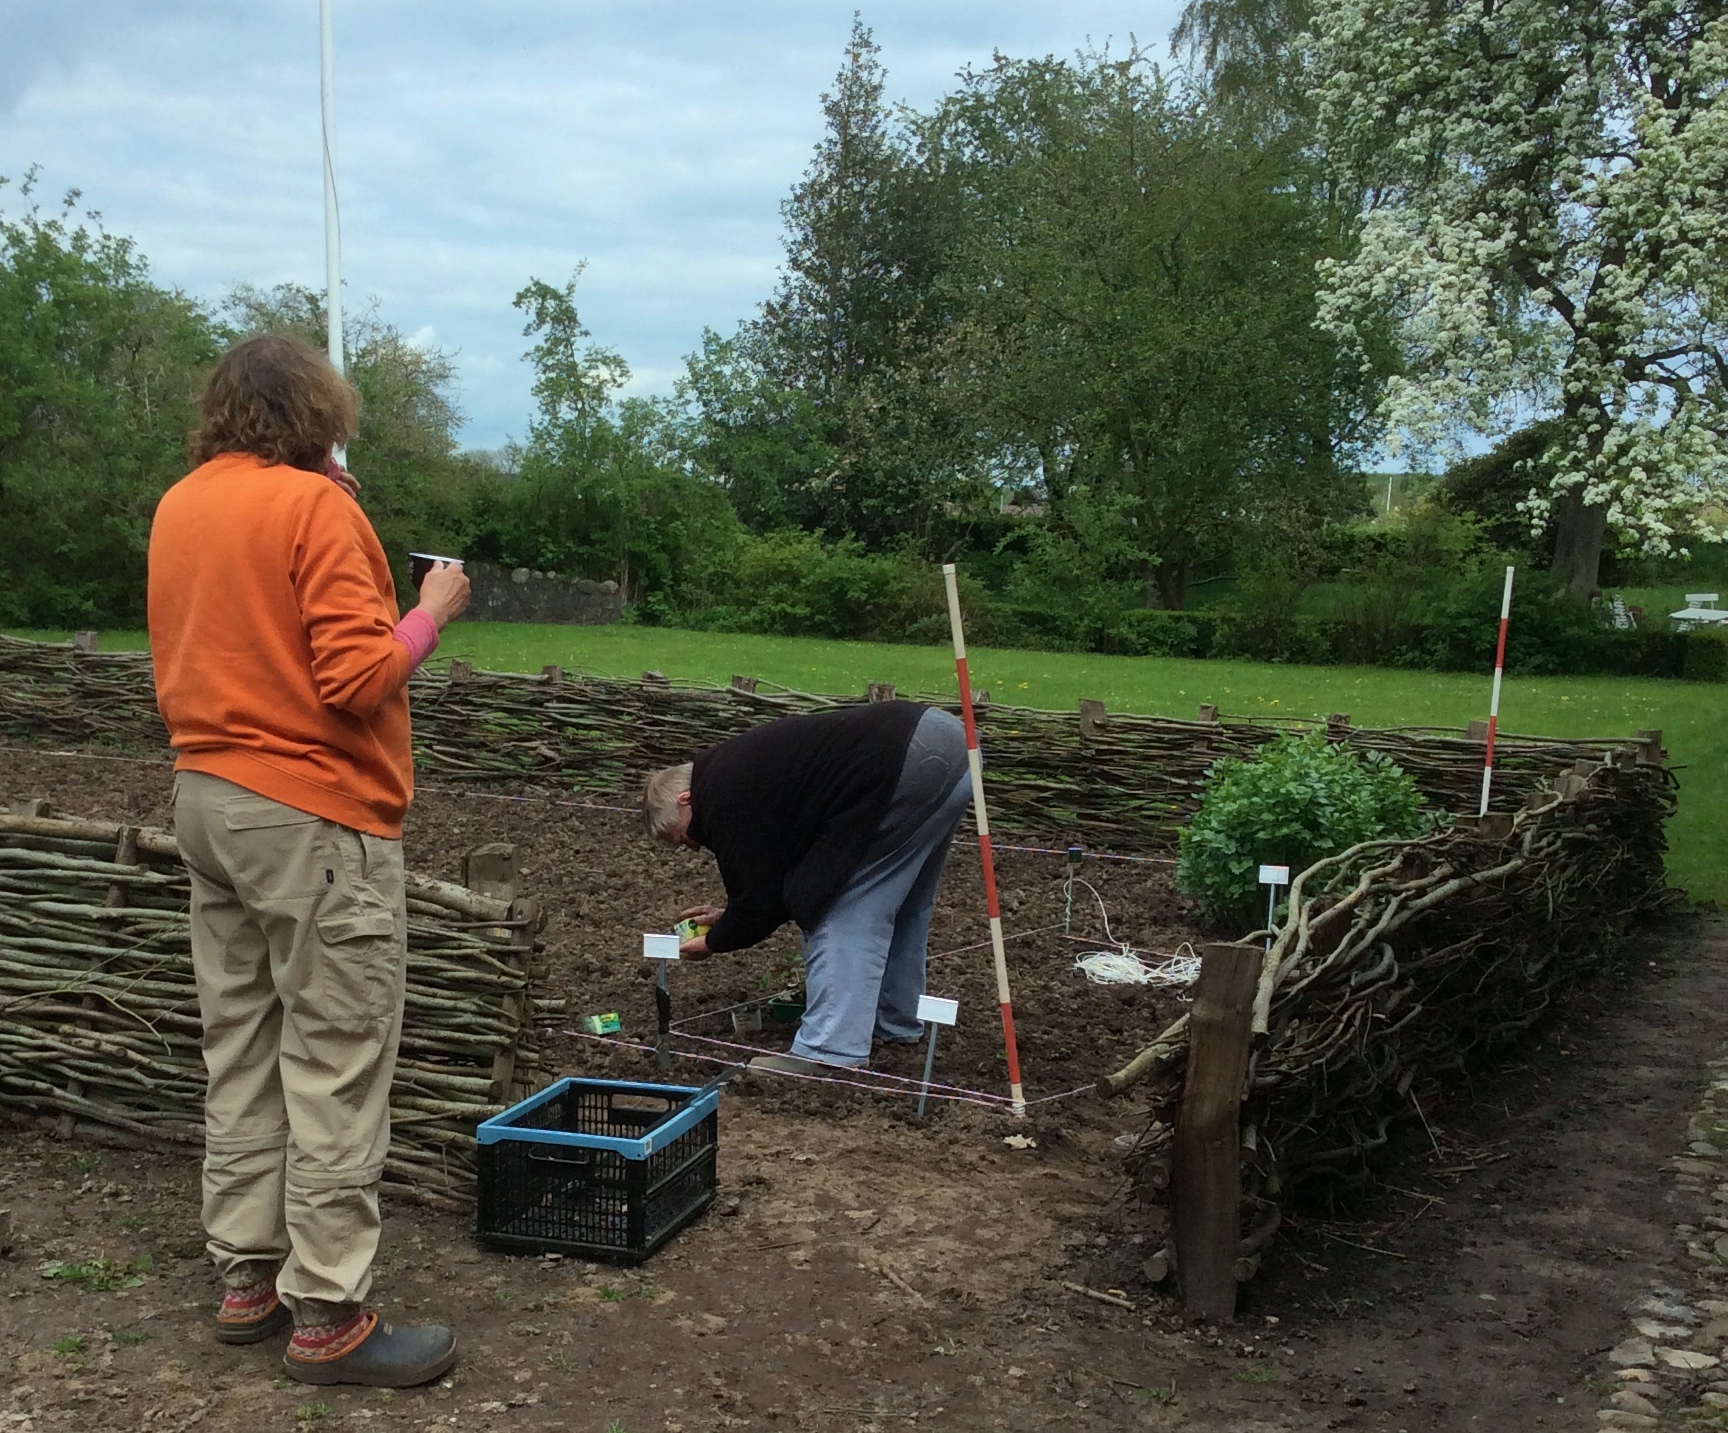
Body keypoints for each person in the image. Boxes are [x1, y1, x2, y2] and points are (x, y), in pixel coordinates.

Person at [147, 333, 470, 1388]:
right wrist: (428, 613)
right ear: (318, 413)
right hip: (307, 813)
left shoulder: (183, 502)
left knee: (239, 1043)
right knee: (334, 1055)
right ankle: (329, 1310)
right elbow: (351, 678)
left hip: (206, 796)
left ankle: (248, 1274)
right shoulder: (317, 507)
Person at [642, 701, 972, 1072]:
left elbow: (760, 900)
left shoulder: (720, 798)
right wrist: (728, 918)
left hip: (902, 761)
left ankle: (829, 1049)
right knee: (904, 902)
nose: (695, 845)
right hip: (951, 746)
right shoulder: (733, 771)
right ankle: (894, 1021)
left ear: (685, 800)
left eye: (683, 836)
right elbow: (772, 882)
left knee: (840, 900)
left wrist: (714, 942)